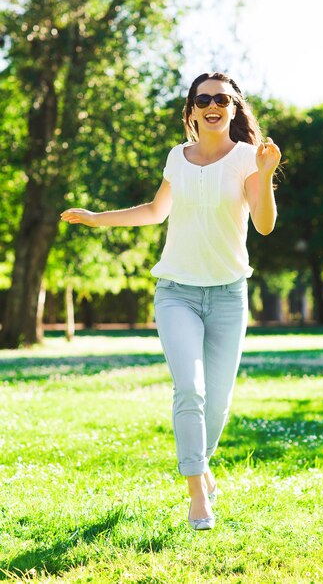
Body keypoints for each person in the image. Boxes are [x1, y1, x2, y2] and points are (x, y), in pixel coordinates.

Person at [61, 72, 281, 531]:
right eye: (204, 99)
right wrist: (99, 219)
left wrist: (264, 174)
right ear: (192, 110)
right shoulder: (176, 158)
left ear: (235, 108)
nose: (212, 105)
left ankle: (202, 461)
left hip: (228, 295)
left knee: (217, 404)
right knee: (190, 390)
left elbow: (263, 227)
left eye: (222, 98)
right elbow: (155, 211)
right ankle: (197, 492)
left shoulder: (246, 159)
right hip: (176, 292)